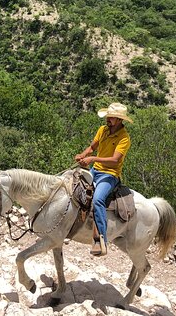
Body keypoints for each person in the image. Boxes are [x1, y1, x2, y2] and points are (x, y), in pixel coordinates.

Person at [74, 102, 132, 256]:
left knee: (98, 199)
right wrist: (83, 155)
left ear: (120, 120)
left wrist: (92, 159)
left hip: (110, 174)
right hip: (96, 170)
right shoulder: (103, 130)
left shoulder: (124, 138)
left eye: (112, 117)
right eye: (108, 116)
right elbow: (92, 147)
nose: (108, 119)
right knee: (73, 185)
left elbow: (115, 160)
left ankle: (101, 240)